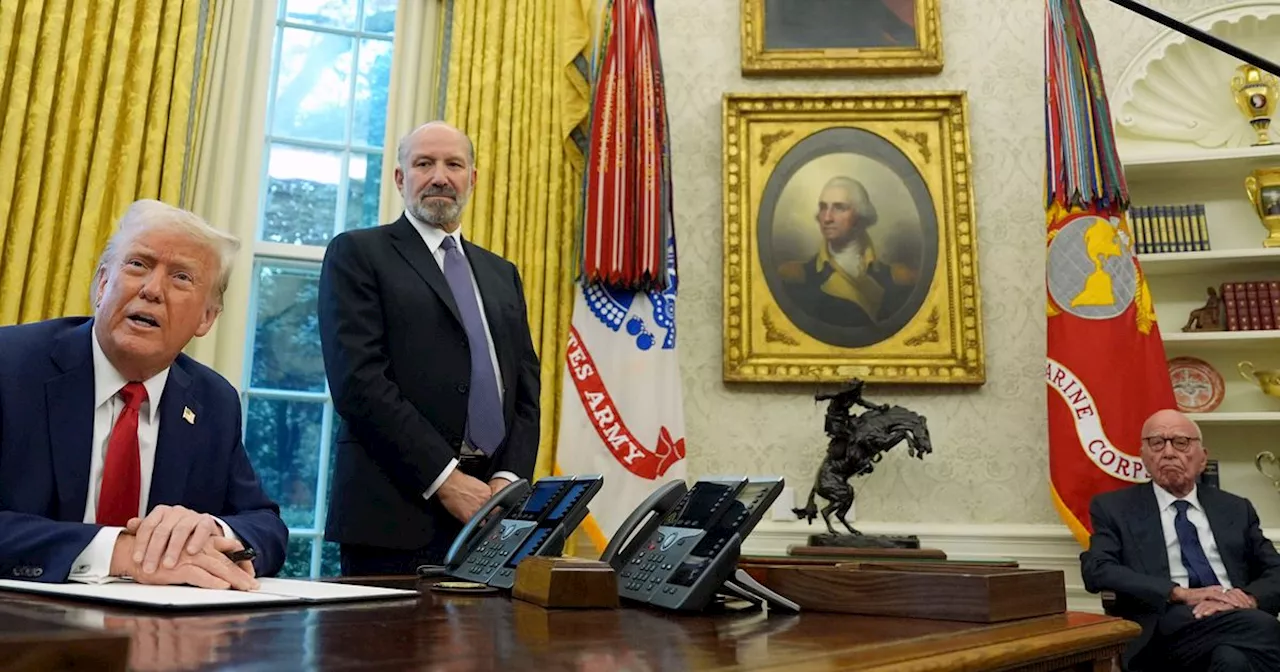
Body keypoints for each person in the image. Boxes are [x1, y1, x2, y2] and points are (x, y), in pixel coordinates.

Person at [0, 200, 288, 589]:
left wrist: (209, 531)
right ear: (102, 285)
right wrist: (119, 551)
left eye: (182, 278)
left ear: (206, 318)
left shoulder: (212, 400)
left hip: (159, 635)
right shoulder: (12, 366)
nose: (152, 290)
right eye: (138, 264)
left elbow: (265, 525)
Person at [318, 121, 541, 575]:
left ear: (472, 178)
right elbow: (359, 384)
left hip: (492, 521)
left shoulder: (503, 274)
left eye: (453, 164)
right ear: (401, 178)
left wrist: (507, 481)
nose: (440, 176)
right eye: (424, 163)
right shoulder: (358, 254)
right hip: (392, 518)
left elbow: (526, 392)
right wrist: (446, 481)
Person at [1080, 409, 1280, 671]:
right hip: (1164, 628)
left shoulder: (1234, 508)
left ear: (1202, 458)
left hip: (1235, 619)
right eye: (1156, 443)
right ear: (1143, 457)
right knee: (1263, 626)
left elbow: (1276, 569)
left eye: (1181, 442)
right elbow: (1097, 569)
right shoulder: (1115, 508)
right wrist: (1179, 593)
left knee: (1232, 660)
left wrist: (1245, 599)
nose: (1169, 452)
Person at [778, 176, 915, 328]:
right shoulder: (795, 277)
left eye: (839, 208)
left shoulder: (898, 278)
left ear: (860, 216)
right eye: (823, 207)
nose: (827, 218)